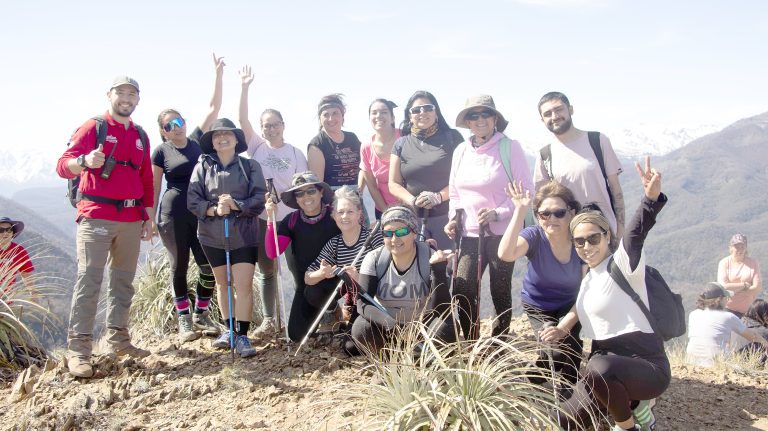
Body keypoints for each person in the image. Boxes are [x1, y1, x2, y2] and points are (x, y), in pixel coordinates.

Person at [541, 157, 667, 431]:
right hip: (605, 371)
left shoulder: (622, 264)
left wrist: (650, 199)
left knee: (598, 366)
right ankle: (631, 404)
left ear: (607, 237)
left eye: (594, 238)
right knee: (560, 422)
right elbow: (579, 307)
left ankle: (628, 423)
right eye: (579, 241)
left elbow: (635, 234)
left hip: (646, 366)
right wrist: (562, 329)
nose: (587, 246)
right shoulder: (588, 278)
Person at [56, 76, 155, 378]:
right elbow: (62, 165)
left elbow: (146, 179)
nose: (126, 98)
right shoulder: (93, 127)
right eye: (121, 93)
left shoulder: (140, 134)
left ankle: (119, 340)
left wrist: (147, 217)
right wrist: (84, 160)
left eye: (132, 94)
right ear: (109, 95)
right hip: (95, 215)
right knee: (89, 282)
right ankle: (79, 351)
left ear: (138, 100)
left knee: (123, 282)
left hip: (130, 219)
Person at [445, 95, 531, 339]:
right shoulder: (461, 150)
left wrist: (498, 213)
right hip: (469, 232)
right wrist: (453, 218)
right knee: (462, 286)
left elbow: (526, 192)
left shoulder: (509, 147)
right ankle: (471, 340)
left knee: (500, 288)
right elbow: (454, 192)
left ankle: (499, 339)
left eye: (485, 114)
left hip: (503, 233)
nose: (480, 119)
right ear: (468, 122)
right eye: (474, 115)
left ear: (495, 118)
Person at [152, 54, 224, 343]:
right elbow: (154, 186)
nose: (176, 127)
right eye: (169, 125)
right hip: (172, 214)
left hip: (200, 212)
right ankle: (184, 320)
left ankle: (201, 312)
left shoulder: (196, 141)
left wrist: (217, 74)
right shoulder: (160, 152)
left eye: (178, 121)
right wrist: (149, 219)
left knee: (208, 265)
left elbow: (213, 107)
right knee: (178, 265)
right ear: (163, 131)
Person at [187, 118, 267, 358]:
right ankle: (228, 330)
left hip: (244, 236)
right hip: (212, 236)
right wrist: (213, 210)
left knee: (242, 285)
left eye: (227, 134)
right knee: (223, 284)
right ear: (212, 141)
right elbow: (193, 200)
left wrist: (236, 205)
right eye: (216, 135)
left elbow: (259, 199)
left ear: (236, 139)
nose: (222, 138)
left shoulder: (249, 166)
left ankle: (242, 335)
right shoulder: (202, 166)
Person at [238, 65, 308, 337]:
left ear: (283, 126)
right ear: (262, 129)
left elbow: (303, 186)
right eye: (266, 125)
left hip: (290, 218)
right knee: (267, 272)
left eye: (275, 124)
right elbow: (242, 120)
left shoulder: (295, 152)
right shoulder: (256, 147)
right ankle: (270, 321)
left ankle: (302, 319)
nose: (271, 129)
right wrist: (244, 88)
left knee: (296, 269)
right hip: (261, 218)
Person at [497, 181, 583, 387]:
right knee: (553, 351)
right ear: (538, 216)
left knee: (571, 349)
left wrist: (563, 328)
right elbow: (505, 254)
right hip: (539, 304)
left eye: (559, 213)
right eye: (545, 214)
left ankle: (571, 397)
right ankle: (539, 375)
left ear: (571, 213)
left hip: (572, 303)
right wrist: (520, 211)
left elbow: (587, 294)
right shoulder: (534, 236)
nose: (551, 219)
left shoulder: (581, 240)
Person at [389, 91, 464, 312]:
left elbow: (463, 177)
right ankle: (422, 324)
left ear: (436, 111)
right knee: (417, 272)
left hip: (447, 219)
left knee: (450, 272)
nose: (422, 113)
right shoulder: (401, 144)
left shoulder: (452, 138)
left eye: (428, 107)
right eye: (416, 109)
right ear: (409, 116)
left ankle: (451, 324)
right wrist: (413, 200)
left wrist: (438, 196)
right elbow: (393, 183)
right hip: (414, 220)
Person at [352, 205, 456, 354]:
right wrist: (392, 326)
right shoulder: (374, 259)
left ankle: (424, 363)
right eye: (388, 233)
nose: (394, 239)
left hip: (423, 326)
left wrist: (438, 270)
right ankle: (388, 367)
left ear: (414, 233)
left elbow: (443, 308)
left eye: (401, 231)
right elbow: (362, 303)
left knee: (446, 328)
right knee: (361, 328)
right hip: (388, 327)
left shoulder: (429, 256)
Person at [533, 92, 626, 239]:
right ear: (542, 120)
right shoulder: (545, 155)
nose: (554, 116)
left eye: (559, 109)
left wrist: (620, 231)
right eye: (548, 113)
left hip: (606, 233)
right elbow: (543, 203)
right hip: (569, 238)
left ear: (570, 110)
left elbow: (616, 190)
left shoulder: (597, 141)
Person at [264, 172, 340, 342]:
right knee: (297, 334)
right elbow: (272, 252)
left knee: (318, 292)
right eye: (299, 193)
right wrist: (270, 217)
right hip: (307, 285)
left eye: (311, 191)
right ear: (296, 199)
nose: (306, 197)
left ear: (321, 192)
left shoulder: (335, 215)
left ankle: (333, 310)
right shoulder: (291, 221)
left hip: (337, 281)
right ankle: (325, 314)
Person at [304, 186, 383, 342]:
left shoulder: (373, 238)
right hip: (350, 296)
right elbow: (308, 277)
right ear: (334, 216)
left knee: (350, 341)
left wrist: (360, 277)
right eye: (340, 212)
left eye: (350, 212)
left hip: (371, 297)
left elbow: (387, 275)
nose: (344, 216)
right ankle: (335, 314)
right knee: (313, 290)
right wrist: (322, 273)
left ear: (360, 214)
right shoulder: (335, 243)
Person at [686, 282, 768, 368]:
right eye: (727, 298)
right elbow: (753, 336)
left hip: (692, 361)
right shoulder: (728, 317)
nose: (728, 301)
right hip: (717, 363)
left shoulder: (693, 314)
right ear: (719, 300)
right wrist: (766, 344)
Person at [307, 94, 363, 191]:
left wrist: (360, 190)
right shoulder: (317, 145)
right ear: (320, 119)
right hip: (332, 199)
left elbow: (364, 168)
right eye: (326, 114)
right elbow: (318, 186)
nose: (331, 119)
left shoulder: (352, 138)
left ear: (342, 116)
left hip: (355, 197)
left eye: (335, 113)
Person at [360, 98, 401, 220]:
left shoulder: (406, 137)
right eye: (374, 113)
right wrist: (387, 213)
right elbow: (372, 186)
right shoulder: (366, 146)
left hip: (412, 209)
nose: (378, 116)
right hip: (384, 211)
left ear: (392, 117)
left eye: (384, 112)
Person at [717, 233, 762, 318]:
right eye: (736, 247)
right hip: (728, 310)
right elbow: (723, 286)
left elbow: (758, 287)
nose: (740, 249)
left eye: (742, 246)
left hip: (749, 312)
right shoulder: (724, 263)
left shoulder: (753, 263)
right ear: (730, 248)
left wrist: (734, 291)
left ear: (746, 248)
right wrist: (744, 285)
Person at [0, 217, 35, 292]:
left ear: (13, 233)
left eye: (9, 230)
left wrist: (33, 294)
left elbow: (26, 274)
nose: (5, 233)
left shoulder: (19, 250)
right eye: (1, 230)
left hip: (7, 299)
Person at [734, 299, 768, 364]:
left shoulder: (735, 325)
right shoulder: (764, 332)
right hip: (754, 365)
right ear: (764, 315)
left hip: (732, 362)